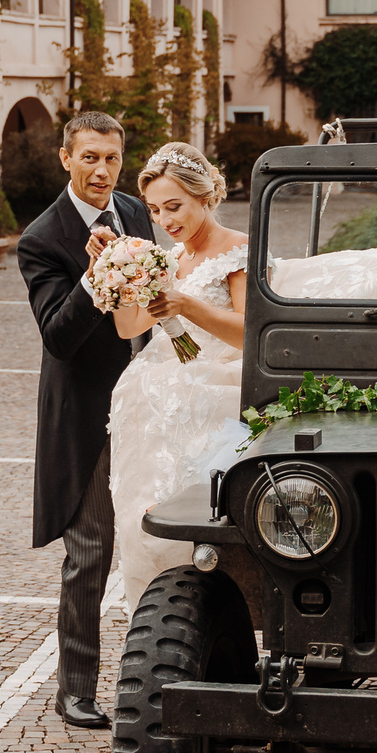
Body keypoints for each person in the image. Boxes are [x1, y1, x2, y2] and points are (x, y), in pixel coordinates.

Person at [17, 111, 155, 729]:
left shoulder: (137, 211)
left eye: (112, 159)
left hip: (151, 397)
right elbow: (59, 339)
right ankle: (74, 689)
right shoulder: (42, 239)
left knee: (162, 538)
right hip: (90, 414)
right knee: (90, 552)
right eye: (90, 158)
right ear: (66, 159)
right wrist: (98, 275)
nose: (102, 171)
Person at [104, 142, 250, 620]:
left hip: (218, 381)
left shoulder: (239, 249)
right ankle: (160, 606)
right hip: (160, 388)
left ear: (204, 198)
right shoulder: (168, 259)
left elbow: (251, 333)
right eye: (154, 210)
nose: (164, 220)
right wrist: (114, 276)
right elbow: (130, 328)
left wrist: (189, 307)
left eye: (174, 207)